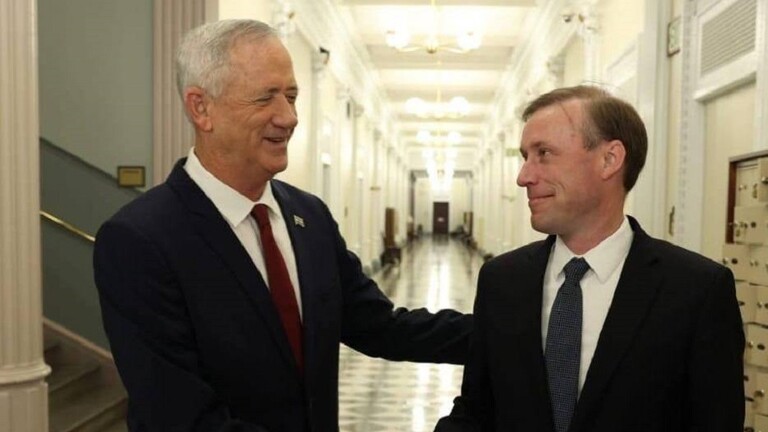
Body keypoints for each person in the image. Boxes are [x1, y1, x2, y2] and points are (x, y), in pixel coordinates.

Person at [93, 19, 471, 432]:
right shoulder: (140, 240)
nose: (289, 117)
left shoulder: (309, 216)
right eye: (265, 98)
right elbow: (178, 417)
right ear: (201, 108)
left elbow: (380, 326)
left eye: (291, 96)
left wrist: (507, 328)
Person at [435, 85, 744, 431]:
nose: (524, 177)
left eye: (544, 153)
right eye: (525, 157)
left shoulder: (697, 291)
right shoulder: (501, 280)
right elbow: (476, 412)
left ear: (609, 160)